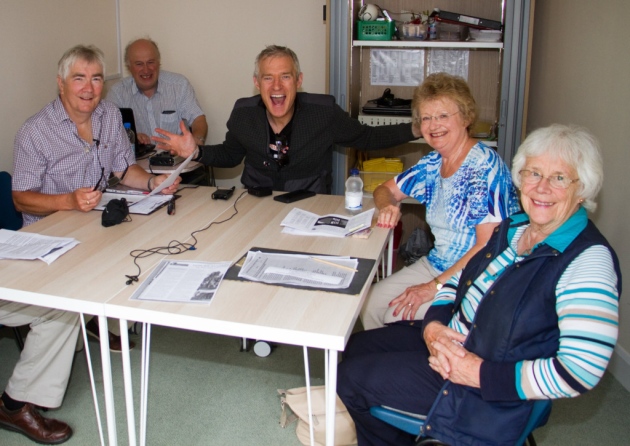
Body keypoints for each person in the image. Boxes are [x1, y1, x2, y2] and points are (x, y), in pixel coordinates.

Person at [337, 124, 621, 446]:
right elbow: (461, 279)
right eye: (533, 173)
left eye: (559, 178)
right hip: (460, 339)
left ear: (582, 189)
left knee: (348, 379)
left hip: (487, 385)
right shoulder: (515, 228)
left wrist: (478, 373)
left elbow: (580, 371)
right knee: (355, 348)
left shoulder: (588, 261)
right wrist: (433, 326)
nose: (541, 188)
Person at [12, 45, 180, 352]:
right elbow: (20, 198)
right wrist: (68, 201)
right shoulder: (35, 131)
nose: (89, 89)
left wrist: (155, 181)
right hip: (51, 237)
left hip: (94, 224)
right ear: (61, 83)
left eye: (97, 79)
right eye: (79, 78)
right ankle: (19, 398)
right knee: (62, 304)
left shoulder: (109, 115)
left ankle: (105, 321)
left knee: (146, 246)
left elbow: (125, 170)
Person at [361, 73, 520, 330]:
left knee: (394, 315)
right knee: (370, 303)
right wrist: (387, 206)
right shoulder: (433, 163)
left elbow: (488, 247)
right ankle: (385, 363)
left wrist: (433, 287)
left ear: (466, 118)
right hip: (438, 263)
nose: (434, 125)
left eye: (443, 116)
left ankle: (419, 365)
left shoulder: (484, 169)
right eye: (426, 118)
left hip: (478, 275)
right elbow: (384, 189)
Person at [153, 45, 423, 193]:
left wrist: (416, 128)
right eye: (268, 78)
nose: (277, 87)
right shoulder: (243, 114)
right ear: (257, 83)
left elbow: (368, 137)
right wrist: (196, 152)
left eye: (285, 76)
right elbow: (231, 155)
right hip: (257, 204)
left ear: (299, 81)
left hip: (310, 204)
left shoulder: (324, 113)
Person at [106, 37, 208, 146]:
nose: (146, 70)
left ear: (158, 63)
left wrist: (196, 141)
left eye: (150, 62)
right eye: (139, 64)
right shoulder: (117, 93)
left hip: (177, 158)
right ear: (129, 67)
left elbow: (198, 119)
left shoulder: (179, 85)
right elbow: (107, 131)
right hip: (138, 161)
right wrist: (130, 137)